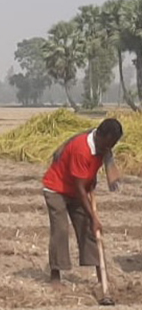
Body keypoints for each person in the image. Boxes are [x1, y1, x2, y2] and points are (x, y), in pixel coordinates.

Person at [42, 118, 123, 289]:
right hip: (57, 188)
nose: (109, 149)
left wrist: (92, 181)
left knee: (88, 229)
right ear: (99, 135)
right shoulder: (82, 149)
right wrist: (93, 217)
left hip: (77, 189)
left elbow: (89, 174)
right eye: (108, 144)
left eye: (113, 145)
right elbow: (79, 189)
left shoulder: (104, 147)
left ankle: (102, 277)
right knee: (61, 229)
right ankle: (55, 274)